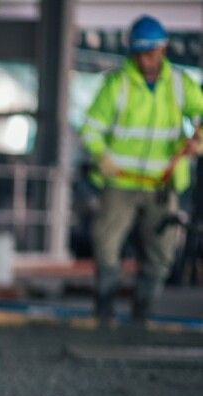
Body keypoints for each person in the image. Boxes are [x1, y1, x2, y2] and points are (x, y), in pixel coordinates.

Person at [79, 14, 203, 325]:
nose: (145, 59)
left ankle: (141, 314)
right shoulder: (117, 85)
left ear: (162, 49)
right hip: (119, 182)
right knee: (106, 244)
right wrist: (101, 155)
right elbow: (90, 129)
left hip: (161, 184)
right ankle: (104, 310)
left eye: (150, 52)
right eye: (139, 53)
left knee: (161, 252)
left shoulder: (179, 85)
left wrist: (200, 139)